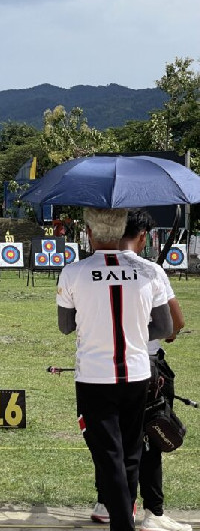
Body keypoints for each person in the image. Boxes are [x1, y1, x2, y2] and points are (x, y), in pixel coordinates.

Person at [57, 207, 173, 531]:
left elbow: (65, 326)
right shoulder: (150, 271)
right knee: (131, 451)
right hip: (137, 374)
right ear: (122, 228)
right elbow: (163, 325)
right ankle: (125, 517)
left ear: (90, 233)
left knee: (108, 455)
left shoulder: (74, 272)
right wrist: (131, 329)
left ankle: (122, 524)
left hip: (94, 376)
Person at [90, 209, 191, 531]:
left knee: (109, 440)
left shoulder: (89, 269)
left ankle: (106, 502)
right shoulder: (150, 271)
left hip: (100, 368)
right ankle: (154, 513)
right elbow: (174, 325)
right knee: (148, 440)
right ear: (144, 235)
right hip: (144, 368)